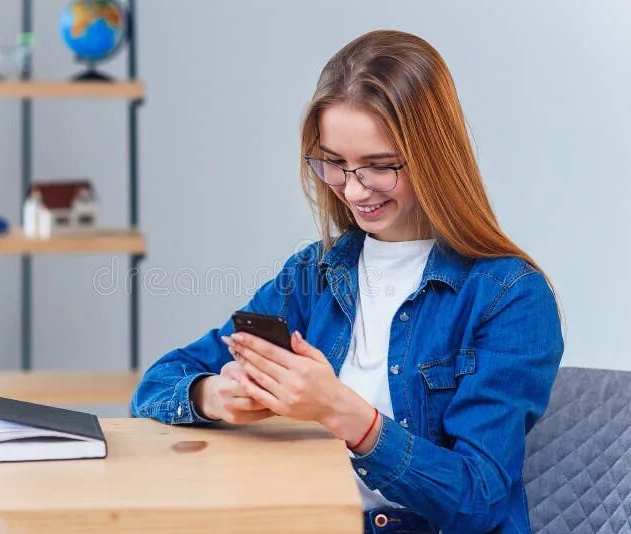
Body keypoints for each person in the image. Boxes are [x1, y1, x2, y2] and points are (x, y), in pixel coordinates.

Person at [131, 29, 564, 534]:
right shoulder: (313, 275)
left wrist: (343, 413)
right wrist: (215, 395)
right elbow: (155, 386)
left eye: (379, 167)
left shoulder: (509, 296)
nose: (354, 190)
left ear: (433, 157)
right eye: (335, 164)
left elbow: (477, 499)